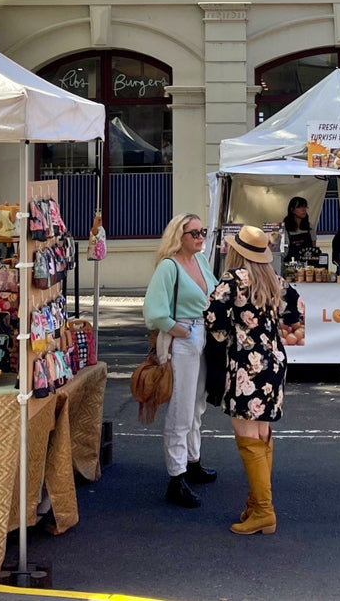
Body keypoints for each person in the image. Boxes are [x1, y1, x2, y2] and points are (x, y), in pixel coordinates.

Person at [205, 225, 304, 535]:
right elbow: (296, 311)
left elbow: (212, 316)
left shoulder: (233, 279)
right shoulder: (275, 280)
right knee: (261, 434)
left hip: (247, 364)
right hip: (274, 361)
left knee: (247, 436)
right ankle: (256, 503)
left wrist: (227, 336)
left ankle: (263, 510)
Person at [143, 212, 218, 509]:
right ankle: (176, 476)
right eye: (195, 233)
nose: (201, 238)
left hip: (202, 335)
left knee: (198, 403)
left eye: (202, 232)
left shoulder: (200, 260)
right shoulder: (169, 267)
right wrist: (181, 330)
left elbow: (214, 293)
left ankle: (192, 460)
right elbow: (154, 312)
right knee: (181, 408)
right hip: (182, 339)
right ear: (179, 237)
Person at [281, 197, 316, 264]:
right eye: (299, 207)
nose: (303, 210)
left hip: (307, 267)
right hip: (289, 266)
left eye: (305, 207)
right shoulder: (284, 228)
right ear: (292, 210)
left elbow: (313, 249)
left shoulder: (310, 227)